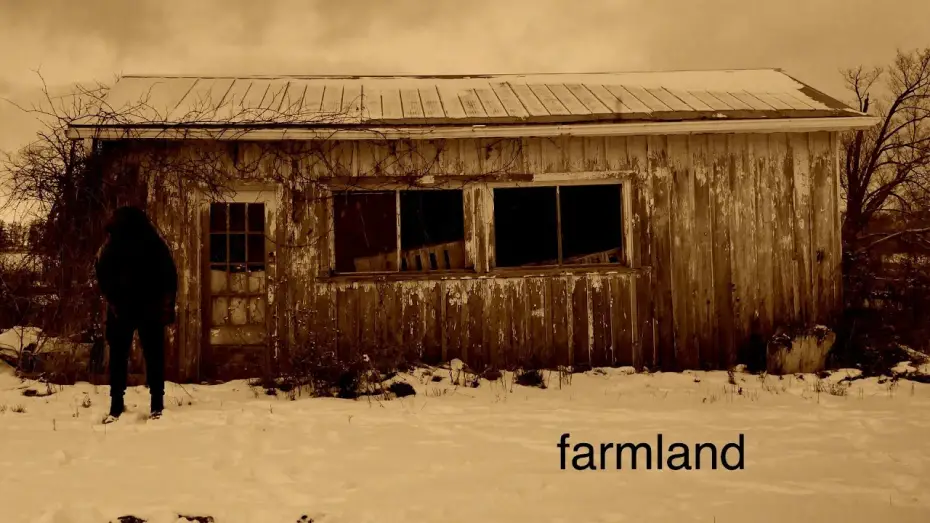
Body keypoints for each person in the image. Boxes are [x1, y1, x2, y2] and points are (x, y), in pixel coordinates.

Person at [95, 205, 178, 423]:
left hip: (127, 307)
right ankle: (152, 405)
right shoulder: (152, 243)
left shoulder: (116, 244)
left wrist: (112, 298)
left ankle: (121, 405)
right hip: (138, 306)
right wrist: (167, 305)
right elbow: (169, 276)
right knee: (151, 355)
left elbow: (102, 273)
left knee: (123, 356)